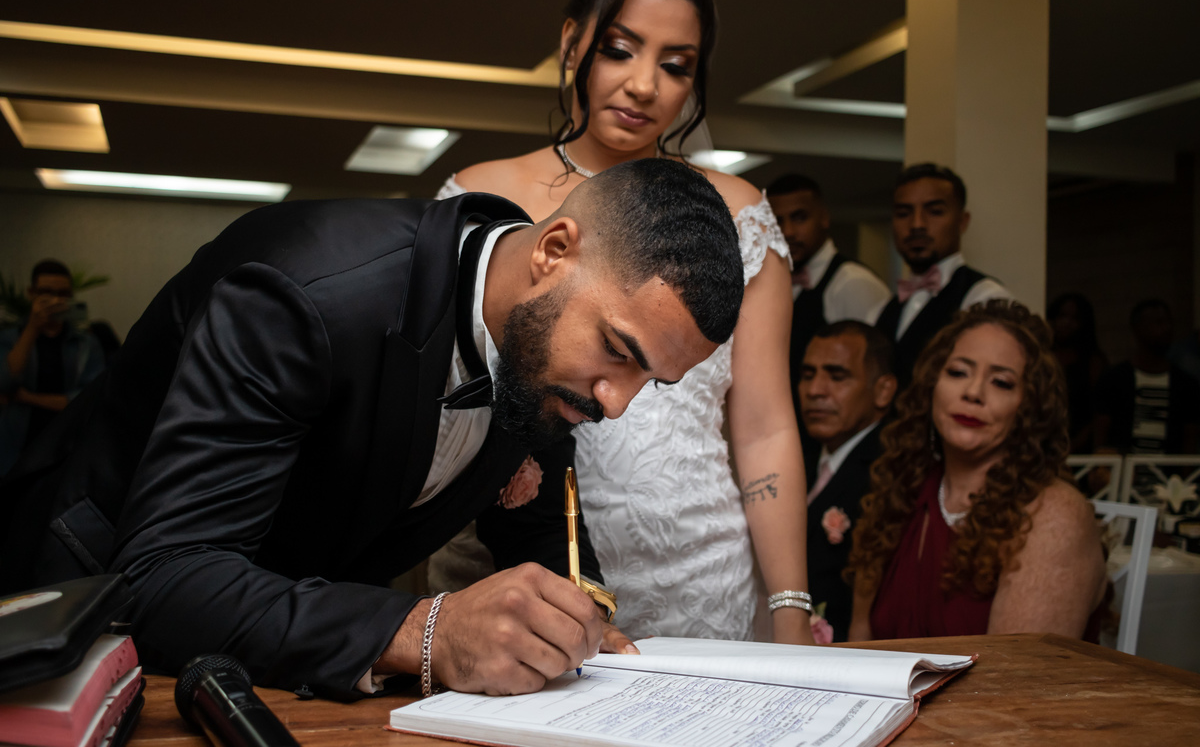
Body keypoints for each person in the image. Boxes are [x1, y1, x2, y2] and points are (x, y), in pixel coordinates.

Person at [0, 159, 745, 698]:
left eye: (652, 380)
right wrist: (425, 631)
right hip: (88, 617)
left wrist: (578, 619)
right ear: (553, 252)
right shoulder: (303, 295)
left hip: (282, 660)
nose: (618, 403)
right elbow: (167, 576)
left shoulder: (547, 354)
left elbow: (542, 531)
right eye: (618, 351)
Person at [432, 0, 813, 644]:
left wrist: (791, 607)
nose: (643, 85)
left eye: (676, 65)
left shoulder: (737, 215)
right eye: (619, 49)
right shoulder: (482, 197)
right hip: (515, 566)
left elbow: (765, 428)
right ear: (571, 43)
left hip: (698, 575)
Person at [847, 300, 1107, 641]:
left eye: (1001, 382)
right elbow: (861, 637)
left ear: (1029, 407)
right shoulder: (901, 490)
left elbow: (1016, 671)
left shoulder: (1053, 514)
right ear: (931, 385)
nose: (973, 392)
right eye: (958, 372)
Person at [798, 321, 896, 642]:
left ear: (883, 390)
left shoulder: (891, 472)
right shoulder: (798, 457)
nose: (815, 390)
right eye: (808, 374)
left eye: (837, 376)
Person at [874, 164, 1012, 388]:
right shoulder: (885, 307)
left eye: (935, 212)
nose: (917, 224)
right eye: (903, 214)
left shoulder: (984, 298)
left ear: (962, 221)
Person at [766, 174, 890, 414]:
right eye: (777, 222)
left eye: (799, 218)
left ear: (824, 217)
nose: (787, 231)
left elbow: (870, 373)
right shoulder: (772, 282)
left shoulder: (853, 283)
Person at [0, 260, 104, 476]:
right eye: (47, 293)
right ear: (31, 293)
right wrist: (32, 328)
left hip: (68, 447)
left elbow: (90, 397)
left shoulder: (86, 344)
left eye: (63, 293)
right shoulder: (10, 338)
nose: (56, 300)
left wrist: (28, 398)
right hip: (17, 445)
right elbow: (5, 382)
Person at [1094, 299, 1200, 458]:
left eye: (1169, 322)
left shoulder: (1185, 384)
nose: (1166, 328)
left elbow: (1189, 439)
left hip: (1168, 471)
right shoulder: (1114, 379)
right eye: (1158, 322)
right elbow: (1101, 434)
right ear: (1137, 328)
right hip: (1124, 469)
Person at [1047, 293, 1108, 454]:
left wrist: (1072, 445)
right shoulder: (1042, 356)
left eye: (1075, 318)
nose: (1067, 323)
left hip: (1080, 448)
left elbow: (1098, 413)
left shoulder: (1093, 361)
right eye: (1062, 316)